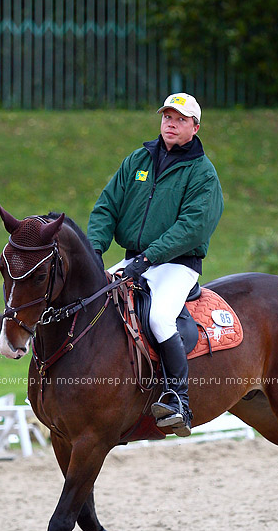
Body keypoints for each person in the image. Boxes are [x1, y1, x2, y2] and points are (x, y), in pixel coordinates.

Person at [87, 93, 224, 436]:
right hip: (137, 259)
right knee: (93, 302)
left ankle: (178, 399)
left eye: (179, 119)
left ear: (195, 126)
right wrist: (93, 252)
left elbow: (192, 227)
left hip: (178, 263)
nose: (170, 124)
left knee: (159, 317)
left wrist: (148, 257)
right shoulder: (138, 159)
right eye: (166, 117)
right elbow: (107, 207)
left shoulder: (203, 173)